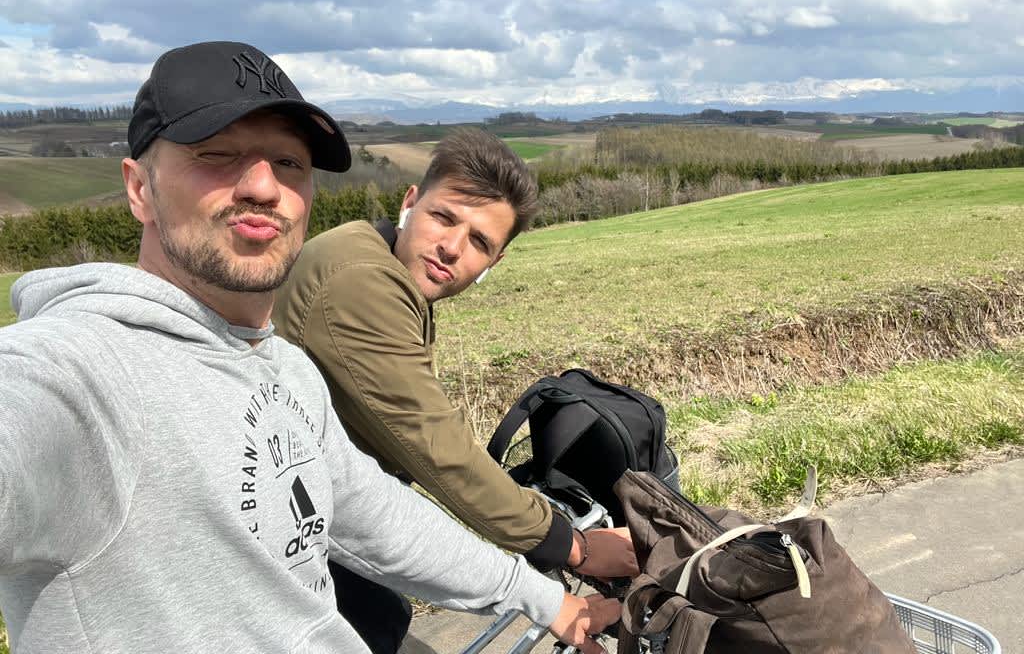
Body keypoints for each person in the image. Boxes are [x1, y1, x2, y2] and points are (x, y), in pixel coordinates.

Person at [0, 41, 620, 654]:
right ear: (139, 189)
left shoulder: (283, 371)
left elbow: (374, 515)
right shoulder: (79, 373)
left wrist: (548, 602)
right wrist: (574, 547)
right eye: (217, 154)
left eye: (289, 164)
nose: (263, 186)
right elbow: (438, 448)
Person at [273, 128, 638, 653]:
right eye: (444, 218)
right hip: (293, 547)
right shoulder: (359, 283)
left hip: (322, 520)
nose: (452, 247)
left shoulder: (375, 258)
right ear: (410, 203)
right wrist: (572, 546)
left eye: (480, 242)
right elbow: (437, 450)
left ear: (495, 263)